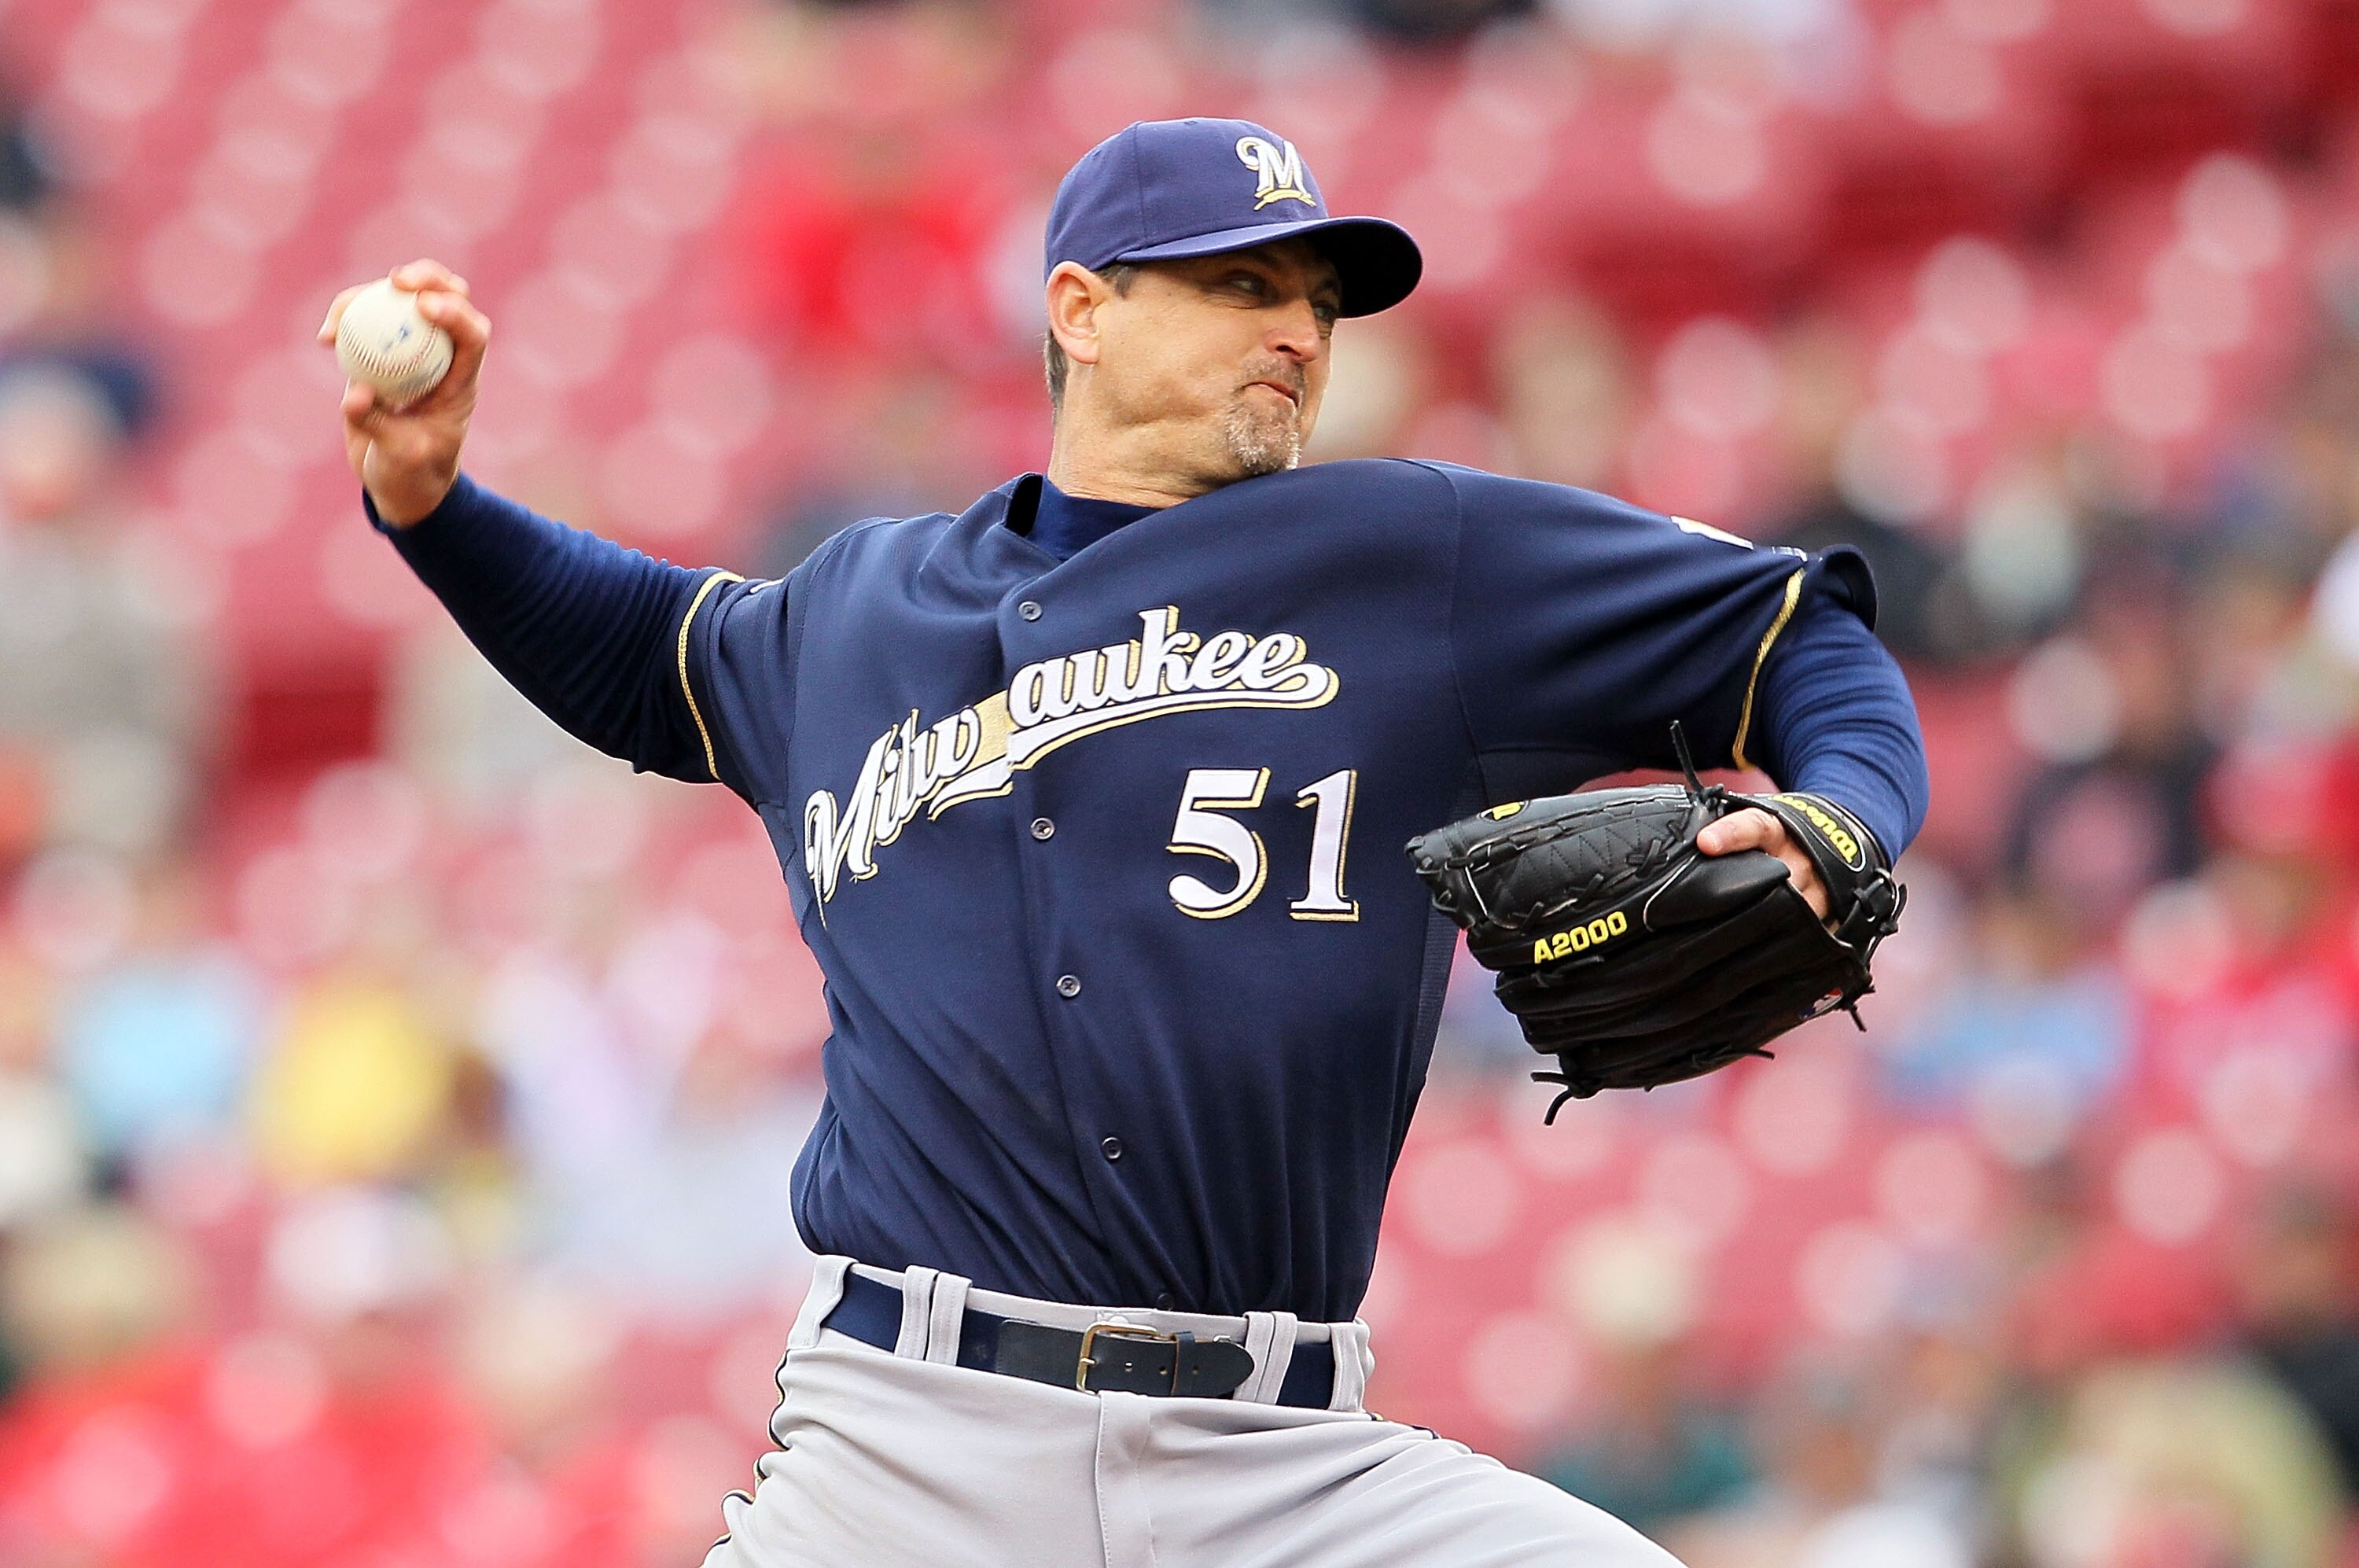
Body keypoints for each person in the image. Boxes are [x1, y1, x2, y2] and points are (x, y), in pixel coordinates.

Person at [322, 118, 1928, 1566]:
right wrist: (437, 502)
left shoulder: (1411, 552)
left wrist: (1847, 807)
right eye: (1241, 287)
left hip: (1282, 1458)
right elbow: (642, 648)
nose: (1299, 330)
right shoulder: (862, 611)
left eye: (1317, 298)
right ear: (1081, 313)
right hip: (908, 1449)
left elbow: (1796, 627)